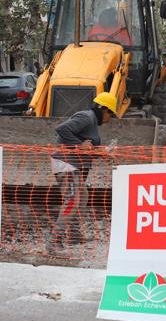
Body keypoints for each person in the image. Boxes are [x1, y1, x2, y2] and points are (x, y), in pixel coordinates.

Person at [47, 92, 118, 255]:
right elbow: (62, 129)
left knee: (82, 197)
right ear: (104, 109)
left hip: (73, 166)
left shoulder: (92, 123)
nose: (110, 118)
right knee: (72, 200)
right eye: (111, 114)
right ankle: (53, 242)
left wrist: (103, 153)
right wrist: (79, 145)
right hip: (66, 165)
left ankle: (74, 235)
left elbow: (87, 149)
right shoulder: (86, 117)